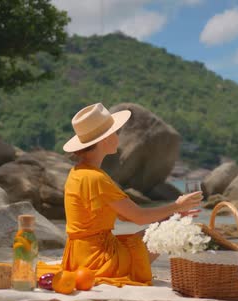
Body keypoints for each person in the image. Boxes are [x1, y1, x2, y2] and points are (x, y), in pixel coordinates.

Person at [52, 102, 203, 287]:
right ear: (105, 140)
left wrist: (173, 215)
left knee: (163, 227)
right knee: (163, 232)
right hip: (99, 260)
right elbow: (139, 217)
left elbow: (126, 216)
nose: (118, 137)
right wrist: (178, 205)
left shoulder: (77, 173)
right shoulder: (97, 179)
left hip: (77, 257)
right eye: (116, 133)